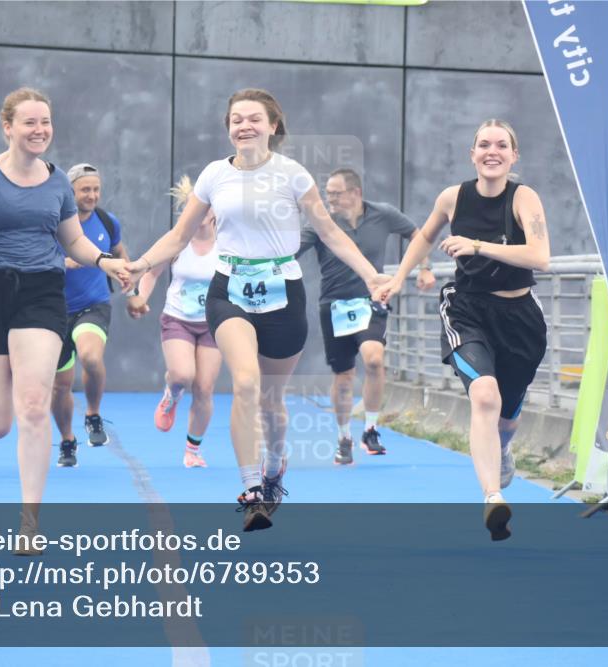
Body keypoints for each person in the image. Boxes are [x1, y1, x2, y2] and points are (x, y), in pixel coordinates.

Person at [124, 88, 390, 531]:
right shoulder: (214, 175)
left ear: (272, 126)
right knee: (245, 382)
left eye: (253, 118)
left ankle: (274, 466)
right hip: (229, 288)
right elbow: (177, 235)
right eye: (236, 119)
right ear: (228, 128)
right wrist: (141, 264)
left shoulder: (293, 174)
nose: (243, 126)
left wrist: (369, 274)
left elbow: (330, 233)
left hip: (283, 291)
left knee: (271, 401)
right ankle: (251, 491)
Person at [0, 88, 128, 552]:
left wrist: (105, 262)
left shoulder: (59, 183)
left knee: (35, 405)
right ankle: (1, 386)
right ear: (8, 127)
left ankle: (29, 523)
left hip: (39, 292)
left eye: (46, 122)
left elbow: (73, 242)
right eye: (29, 123)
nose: (39, 130)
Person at [375, 119, 549, 542]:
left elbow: (540, 256)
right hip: (467, 309)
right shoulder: (453, 197)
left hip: (520, 316)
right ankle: (493, 498)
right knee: (484, 396)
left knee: (507, 416)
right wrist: (399, 278)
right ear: (472, 154)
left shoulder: (523, 197)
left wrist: (476, 245)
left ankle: (503, 450)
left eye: (502, 145)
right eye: (484, 145)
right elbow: (424, 236)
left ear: (513, 155)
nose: (493, 151)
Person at [297, 168, 436, 464]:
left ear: (355, 193)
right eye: (328, 193)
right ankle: (343, 436)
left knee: (374, 358)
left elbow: (418, 235)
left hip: (372, 299)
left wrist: (425, 267)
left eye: (336, 193)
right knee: (344, 376)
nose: (330, 198)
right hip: (334, 306)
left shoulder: (383, 214)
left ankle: (370, 429)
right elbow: (291, 250)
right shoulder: (323, 223)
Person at [129, 175, 221, 469]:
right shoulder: (178, 240)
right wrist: (140, 298)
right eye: (197, 207)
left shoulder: (229, 243)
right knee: (182, 375)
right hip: (178, 318)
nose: (203, 213)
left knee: (204, 388)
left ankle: (192, 450)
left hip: (215, 323)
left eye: (208, 208)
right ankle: (171, 395)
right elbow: (151, 273)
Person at [52, 162, 135, 468]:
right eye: (85, 189)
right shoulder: (55, 223)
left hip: (94, 304)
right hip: (55, 310)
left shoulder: (106, 221)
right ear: (70, 191)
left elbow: (120, 254)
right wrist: (64, 263)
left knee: (90, 357)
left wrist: (133, 294)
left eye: (96, 189)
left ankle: (93, 414)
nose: (92, 195)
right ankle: (66, 440)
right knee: (60, 386)